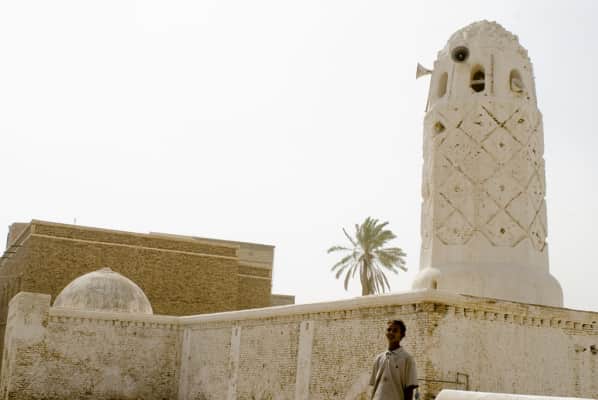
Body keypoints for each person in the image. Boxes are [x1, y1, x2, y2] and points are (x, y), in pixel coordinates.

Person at [370, 320, 418, 400]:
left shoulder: (407, 359)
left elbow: (409, 389)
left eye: (395, 331)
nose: (391, 332)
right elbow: (374, 386)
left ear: (402, 335)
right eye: (389, 330)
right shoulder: (379, 358)